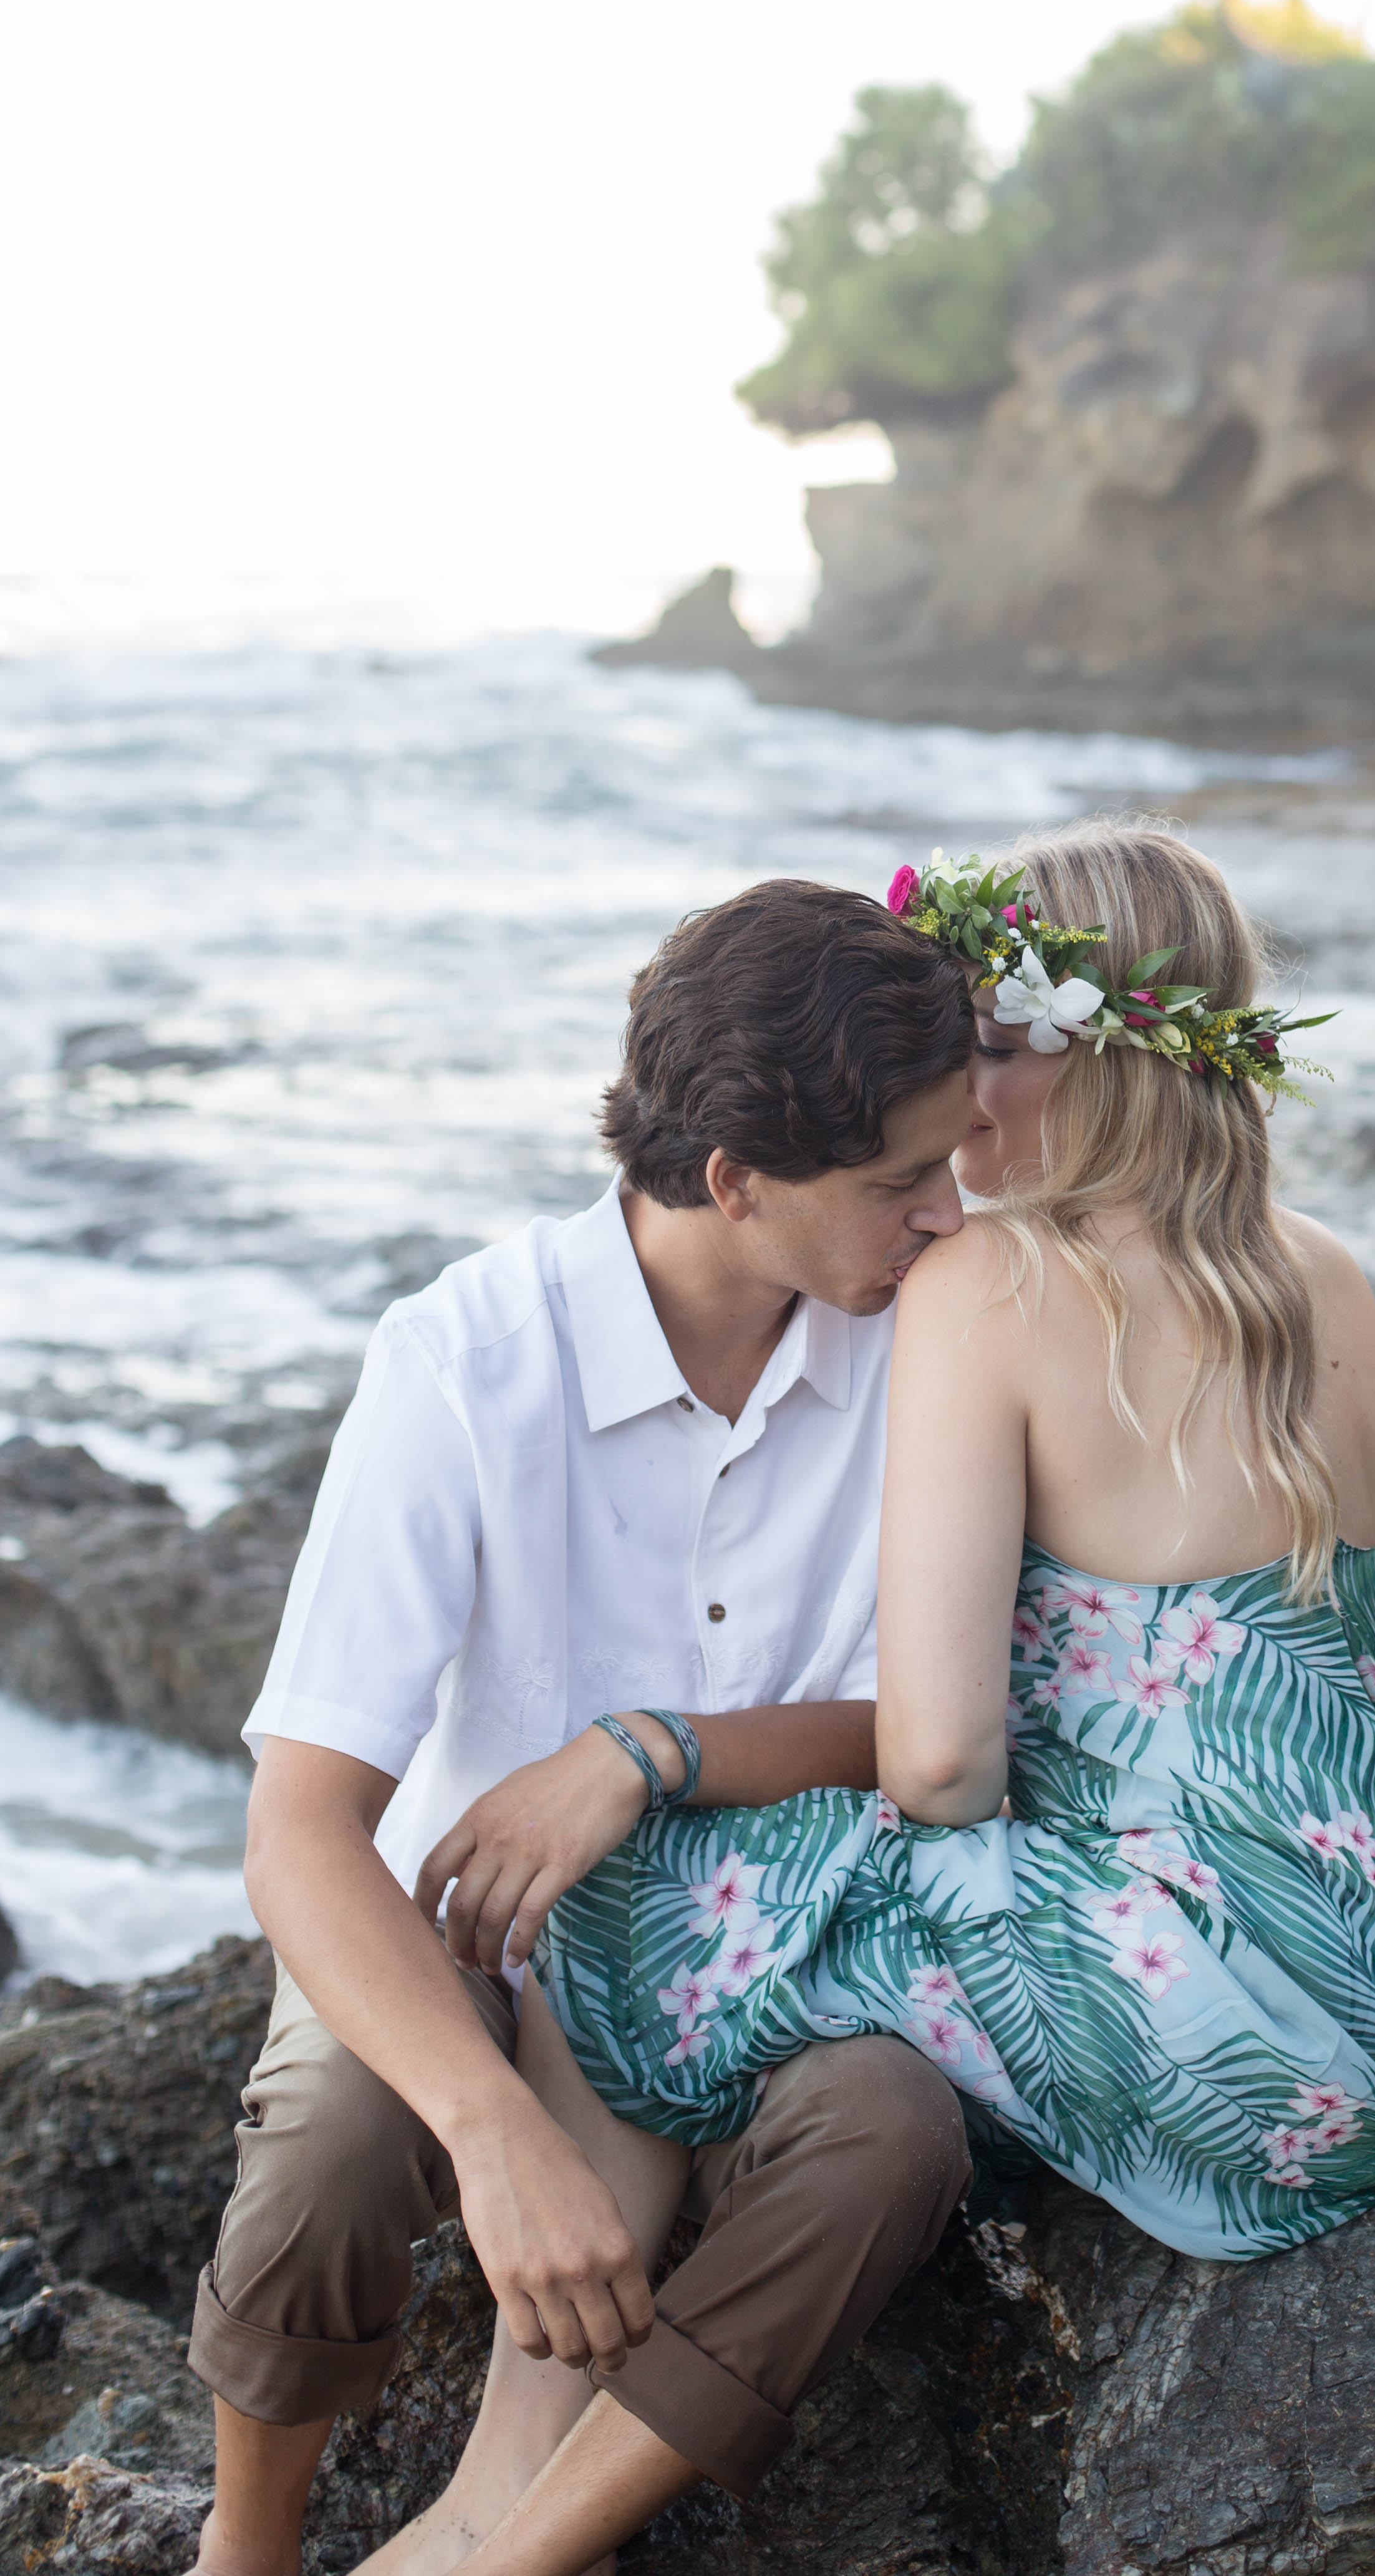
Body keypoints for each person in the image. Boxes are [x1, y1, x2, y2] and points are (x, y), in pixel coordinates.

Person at [406, 822, 1375, 2576]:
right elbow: (1352, 1671)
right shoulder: (1326, 1276)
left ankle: (498, 2518)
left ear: (1085, 1051)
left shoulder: (996, 1283)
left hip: (1247, 2025)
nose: (960, 1099)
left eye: (992, 1049)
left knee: (627, 1907)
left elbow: (939, 1762)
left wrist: (695, 1780)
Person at [190, 878, 982, 2576]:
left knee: (893, 2140)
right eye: (904, 1177)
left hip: (798, 1946)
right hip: (470, 1934)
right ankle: (241, 2553)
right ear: (734, 1183)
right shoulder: (467, 1360)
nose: (948, 1211)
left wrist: (644, 1749)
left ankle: (522, 2545)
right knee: (333, 2136)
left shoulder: (944, 1341)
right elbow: (301, 1826)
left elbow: (939, 1725)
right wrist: (496, 2134)